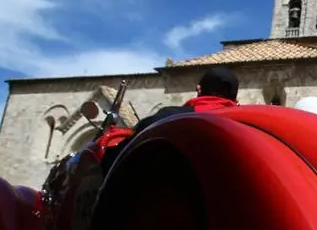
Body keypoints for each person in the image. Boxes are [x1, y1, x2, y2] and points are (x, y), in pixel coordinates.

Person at [101, 66, 240, 174]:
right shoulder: (245, 124)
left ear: (198, 90)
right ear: (235, 100)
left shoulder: (167, 117)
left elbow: (116, 159)